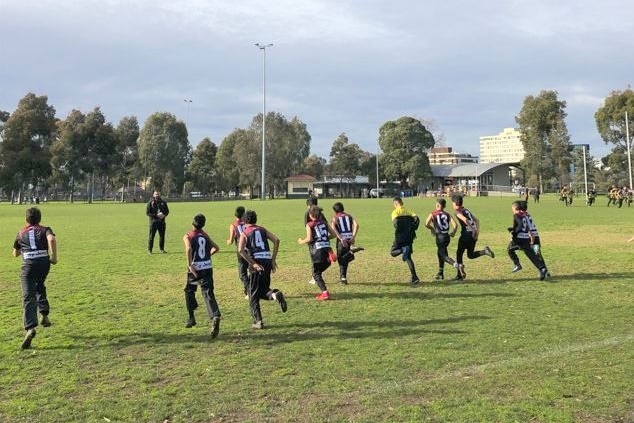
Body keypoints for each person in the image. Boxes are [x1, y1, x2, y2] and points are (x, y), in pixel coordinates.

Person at [12, 207, 58, 349]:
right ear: (39, 218)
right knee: (39, 285)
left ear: (27, 219)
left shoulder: (21, 232)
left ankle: (30, 328)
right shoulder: (45, 229)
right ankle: (44, 314)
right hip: (44, 263)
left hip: (28, 265)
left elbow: (15, 253)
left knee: (28, 296)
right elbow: (51, 239)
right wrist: (54, 256)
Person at [238, 210, 287, 329]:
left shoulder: (245, 232)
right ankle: (275, 294)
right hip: (267, 260)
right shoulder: (262, 229)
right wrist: (273, 259)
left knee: (252, 294)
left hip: (257, 262)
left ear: (245, 221)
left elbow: (240, 250)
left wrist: (253, 263)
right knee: (263, 290)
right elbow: (276, 240)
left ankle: (258, 321)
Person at [182, 214, 221, 338]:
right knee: (208, 293)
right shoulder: (205, 235)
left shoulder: (188, 235)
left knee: (189, 291)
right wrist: (207, 257)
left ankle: (191, 318)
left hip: (195, 270)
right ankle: (215, 315)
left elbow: (188, 249)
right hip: (207, 268)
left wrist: (190, 265)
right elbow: (216, 248)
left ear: (192, 223)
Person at [451, 195, 494, 281]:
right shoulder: (466, 210)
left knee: (459, 254)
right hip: (473, 236)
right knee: (470, 255)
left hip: (466, 235)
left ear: (455, 203)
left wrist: (472, 229)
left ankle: (460, 275)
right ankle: (484, 251)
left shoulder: (457, 212)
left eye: (452, 203)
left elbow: (465, 220)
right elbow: (477, 220)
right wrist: (476, 232)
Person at [298, 205, 337, 300]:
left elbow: (309, 238)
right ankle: (331, 256)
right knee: (319, 270)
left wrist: (301, 241)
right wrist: (325, 238)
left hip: (317, 251)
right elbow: (334, 234)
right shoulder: (325, 223)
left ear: (310, 215)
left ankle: (325, 293)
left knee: (315, 274)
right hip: (326, 249)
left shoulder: (309, 224)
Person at [507, 201, 549, 280]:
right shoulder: (525, 215)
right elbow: (526, 226)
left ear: (516, 208)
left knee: (510, 249)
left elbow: (521, 226)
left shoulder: (518, 215)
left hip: (524, 237)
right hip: (529, 237)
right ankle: (543, 269)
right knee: (533, 254)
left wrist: (514, 232)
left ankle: (517, 264)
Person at [424, 198, 464, 281]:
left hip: (439, 237)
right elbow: (455, 225)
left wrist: (432, 228)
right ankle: (440, 273)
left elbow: (426, 223)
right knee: (440, 253)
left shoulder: (433, 213)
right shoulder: (448, 214)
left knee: (443, 255)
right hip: (446, 237)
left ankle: (457, 265)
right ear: (444, 206)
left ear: (437, 205)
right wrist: (453, 233)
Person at [330, 202, 364, 284]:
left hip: (342, 240)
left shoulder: (335, 218)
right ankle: (343, 279)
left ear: (335, 211)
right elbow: (356, 225)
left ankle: (351, 252)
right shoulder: (349, 216)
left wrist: (341, 238)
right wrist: (353, 236)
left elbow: (333, 228)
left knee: (341, 258)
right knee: (344, 259)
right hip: (349, 239)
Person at [390, 197, 421, 285]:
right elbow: (417, 219)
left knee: (393, 252)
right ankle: (414, 277)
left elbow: (396, 224)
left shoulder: (395, 212)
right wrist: (413, 228)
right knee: (408, 257)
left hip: (400, 237)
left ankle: (402, 250)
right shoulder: (409, 211)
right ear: (402, 203)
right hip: (410, 237)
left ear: (396, 204)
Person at [227, 206, 249, 298]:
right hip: (251, 249)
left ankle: (249, 291)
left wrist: (228, 241)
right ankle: (251, 289)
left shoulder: (233, 225)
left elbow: (231, 241)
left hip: (241, 250)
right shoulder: (247, 223)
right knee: (252, 270)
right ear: (243, 214)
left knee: (242, 273)